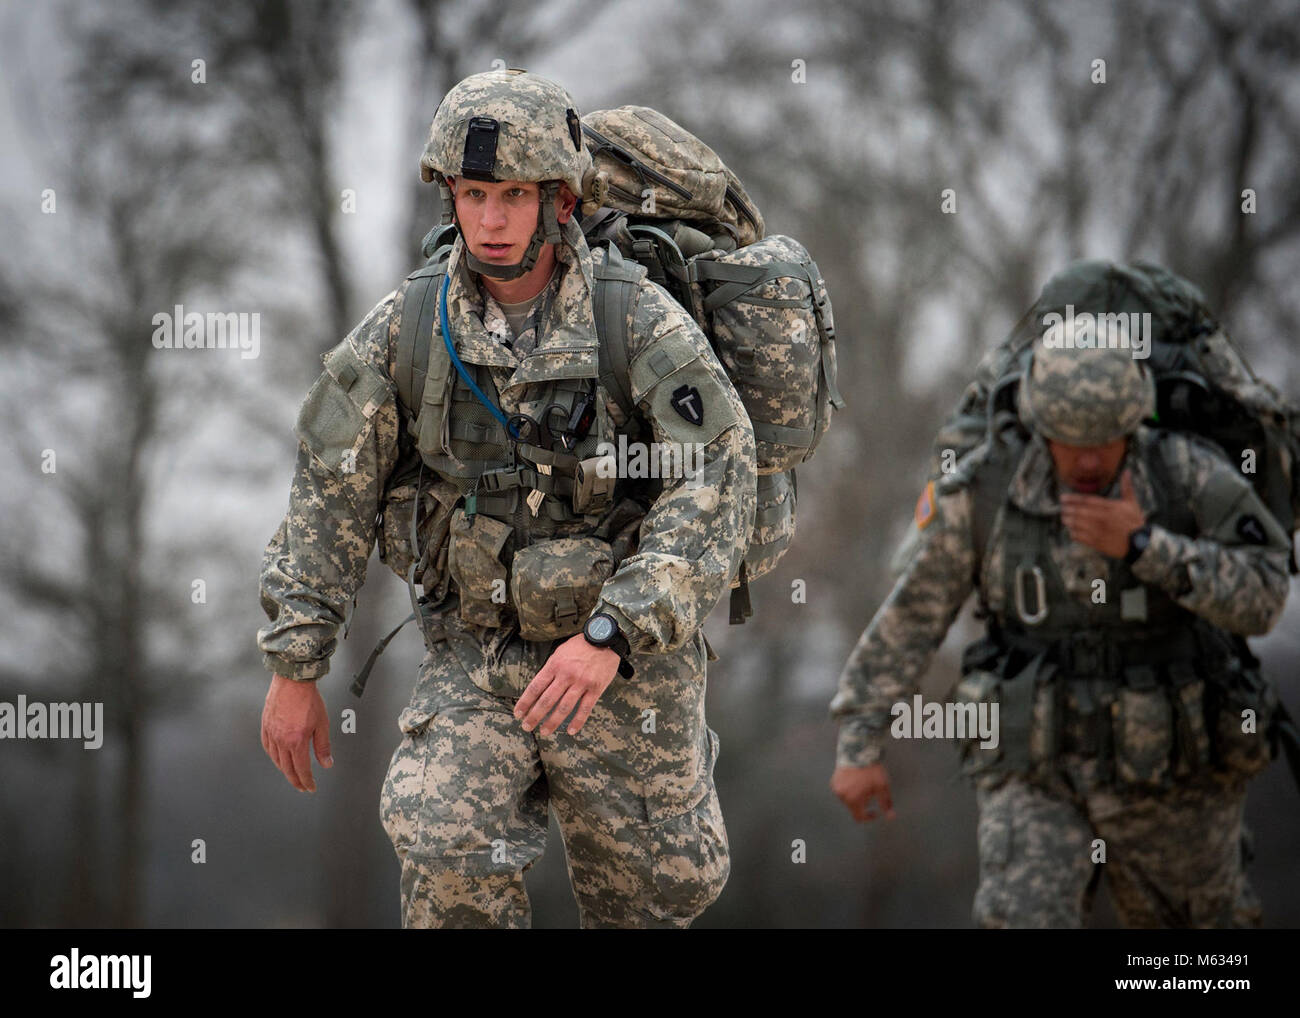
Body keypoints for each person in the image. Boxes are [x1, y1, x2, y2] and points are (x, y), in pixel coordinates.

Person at [257, 69, 756, 928]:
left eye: (514, 195)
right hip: (480, 654)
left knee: (652, 896)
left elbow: (716, 477)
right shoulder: (410, 329)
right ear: (449, 194)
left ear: (558, 200)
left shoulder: (634, 322)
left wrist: (614, 632)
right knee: (442, 842)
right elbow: (330, 487)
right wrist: (295, 665)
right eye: (475, 193)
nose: (491, 220)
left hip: (623, 664)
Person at [829, 328, 1292, 928]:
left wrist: (1145, 546)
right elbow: (912, 615)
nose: (1091, 459)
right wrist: (859, 742)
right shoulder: (987, 489)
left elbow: (1265, 594)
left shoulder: (1185, 475)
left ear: (1134, 423)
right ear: (1042, 427)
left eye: (1107, 440)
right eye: (1073, 443)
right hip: (1035, 766)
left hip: (1172, 768)